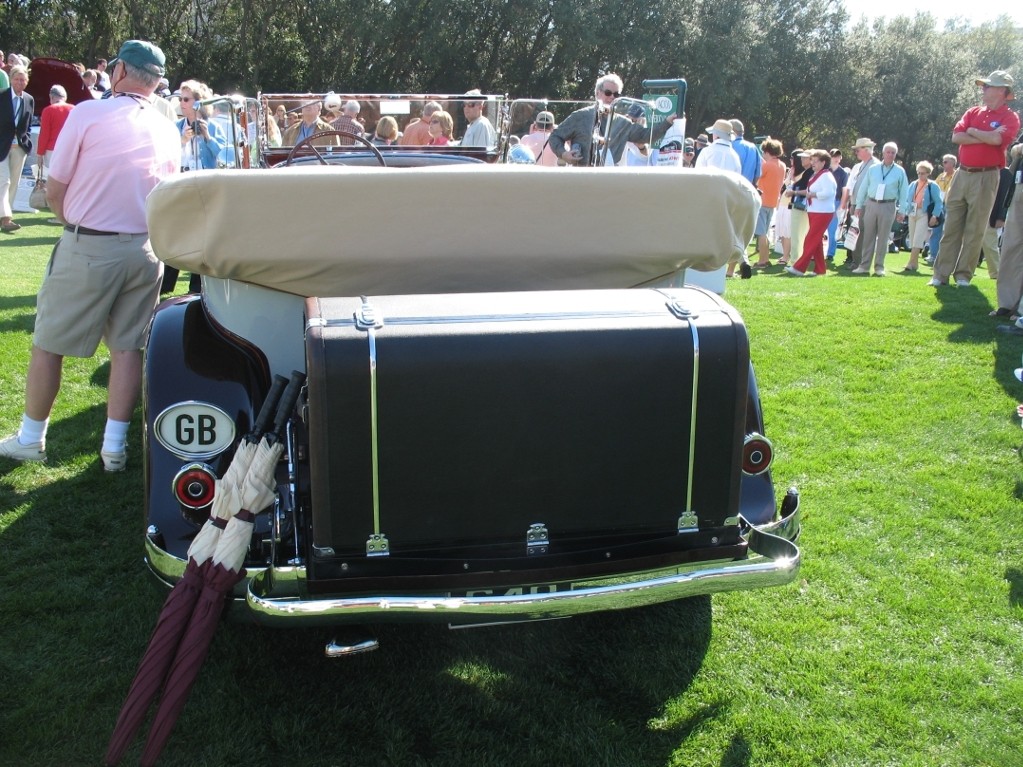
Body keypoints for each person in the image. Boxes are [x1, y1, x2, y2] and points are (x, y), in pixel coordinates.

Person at [0, 40, 180, 470]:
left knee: (48, 343)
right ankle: (114, 448)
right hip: (145, 247)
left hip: (92, 243)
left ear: (118, 71)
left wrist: (70, 220)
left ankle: (30, 437)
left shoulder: (88, 113)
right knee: (127, 349)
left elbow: (57, 186)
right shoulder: (166, 126)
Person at [931, 71, 1020, 288]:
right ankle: (940, 275)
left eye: (988, 86)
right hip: (963, 173)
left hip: (987, 175)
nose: (984, 89)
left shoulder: (1010, 117)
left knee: (975, 228)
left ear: (1002, 91)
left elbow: (997, 139)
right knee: (951, 226)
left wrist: (972, 131)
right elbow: (956, 136)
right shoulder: (972, 111)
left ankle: (963, 275)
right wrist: (981, 134)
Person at [547, 74, 675, 166]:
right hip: (582, 177)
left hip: (610, 179)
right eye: (608, 93)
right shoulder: (580, 116)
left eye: (616, 94)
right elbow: (555, 136)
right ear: (597, 93)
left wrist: (668, 121)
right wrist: (564, 154)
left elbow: (646, 136)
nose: (612, 97)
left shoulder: (622, 123)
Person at [853, 141, 909, 276]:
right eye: (888, 152)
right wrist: (859, 205)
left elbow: (904, 193)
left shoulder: (900, 171)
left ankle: (879, 267)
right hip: (871, 204)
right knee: (868, 236)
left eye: (893, 153)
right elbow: (863, 188)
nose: (890, 155)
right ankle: (864, 266)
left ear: (896, 155)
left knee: (883, 238)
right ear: (883, 153)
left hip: (888, 205)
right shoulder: (873, 168)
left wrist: (902, 211)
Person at [787, 149, 838, 277]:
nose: (813, 163)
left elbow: (829, 193)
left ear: (823, 162)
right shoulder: (817, 174)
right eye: (812, 160)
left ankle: (799, 267)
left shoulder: (826, 175)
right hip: (814, 211)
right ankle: (820, 269)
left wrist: (813, 195)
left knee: (810, 239)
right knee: (816, 241)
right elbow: (809, 190)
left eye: (815, 161)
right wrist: (798, 193)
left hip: (823, 212)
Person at [0, 65, 34, 233]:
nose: (20, 82)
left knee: (14, 182)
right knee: (4, 180)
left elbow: (27, 124)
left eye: (23, 80)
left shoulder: (29, 99)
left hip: (19, 146)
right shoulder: (2, 95)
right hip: (1, 144)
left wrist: (25, 141)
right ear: (11, 79)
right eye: (17, 79)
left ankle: (7, 215)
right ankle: (6, 219)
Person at [842, 138, 879, 269]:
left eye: (858, 150)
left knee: (863, 234)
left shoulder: (875, 165)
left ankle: (861, 263)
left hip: (865, 205)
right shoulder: (860, 165)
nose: (856, 152)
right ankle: (855, 261)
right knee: (854, 233)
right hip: (855, 204)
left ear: (867, 150)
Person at [177, 80, 228, 169]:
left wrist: (208, 138)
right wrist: (183, 140)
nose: (181, 103)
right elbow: (166, 154)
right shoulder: (176, 126)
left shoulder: (214, 127)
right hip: (183, 178)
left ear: (199, 101)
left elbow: (223, 157)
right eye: (180, 99)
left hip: (207, 179)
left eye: (186, 99)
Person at [904, 161, 943, 272]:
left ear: (928, 173)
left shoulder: (932, 185)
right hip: (912, 212)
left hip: (924, 213)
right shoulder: (913, 184)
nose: (920, 175)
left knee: (918, 238)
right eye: (919, 173)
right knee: (912, 238)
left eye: (923, 173)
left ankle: (910, 263)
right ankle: (914, 264)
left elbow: (938, 202)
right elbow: (907, 199)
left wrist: (935, 215)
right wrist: (906, 209)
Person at [753, 138, 786, 267]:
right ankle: (765, 259)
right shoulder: (782, 165)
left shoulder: (766, 165)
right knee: (764, 232)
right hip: (773, 202)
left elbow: (757, 177)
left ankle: (762, 260)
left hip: (762, 201)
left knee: (761, 233)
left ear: (767, 151)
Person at [926, 155, 957, 265]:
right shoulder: (940, 176)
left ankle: (947, 257)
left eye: (945, 162)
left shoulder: (957, 176)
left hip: (951, 206)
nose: (943, 164)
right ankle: (933, 255)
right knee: (936, 230)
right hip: (939, 205)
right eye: (943, 162)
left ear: (953, 164)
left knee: (948, 231)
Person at [826, 149, 848, 260]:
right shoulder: (826, 170)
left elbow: (845, 190)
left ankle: (830, 253)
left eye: (838, 156)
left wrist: (841, 205)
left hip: (836, 201)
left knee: (832, 229)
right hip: (825, 201)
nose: (836, 158)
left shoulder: (843, 173)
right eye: (834, 156)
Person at [729, 118, 761, 185]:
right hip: (747, 189)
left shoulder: (730, 146)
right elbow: (758, 174)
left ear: (732, 131)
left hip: (732, 188)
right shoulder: (753, 147)